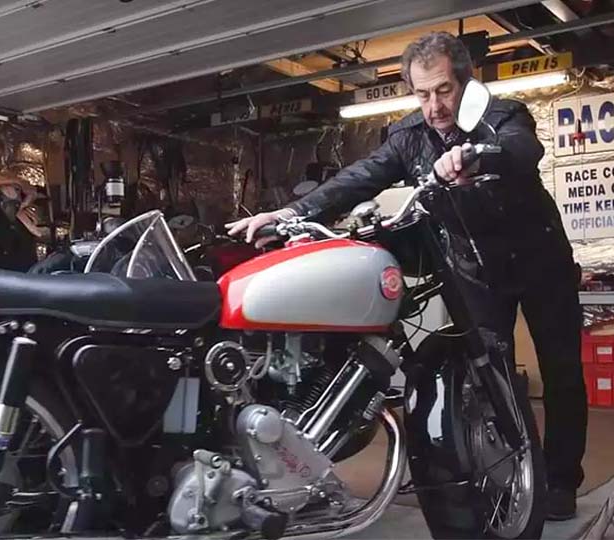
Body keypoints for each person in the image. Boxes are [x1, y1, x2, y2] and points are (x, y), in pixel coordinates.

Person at [227, 31, 587, 521]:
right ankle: (504, 470)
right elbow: (359, 176)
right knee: (489, 377)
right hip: (477, 269)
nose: (434, 105)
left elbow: (523, 149)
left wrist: (477, 155)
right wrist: (287, 213)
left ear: (464, 81)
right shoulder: (408, 134)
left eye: (443, 90)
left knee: (562, 370)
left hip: (540, 262)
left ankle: (562, 481)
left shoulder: (500, 115)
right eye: (422, 93)